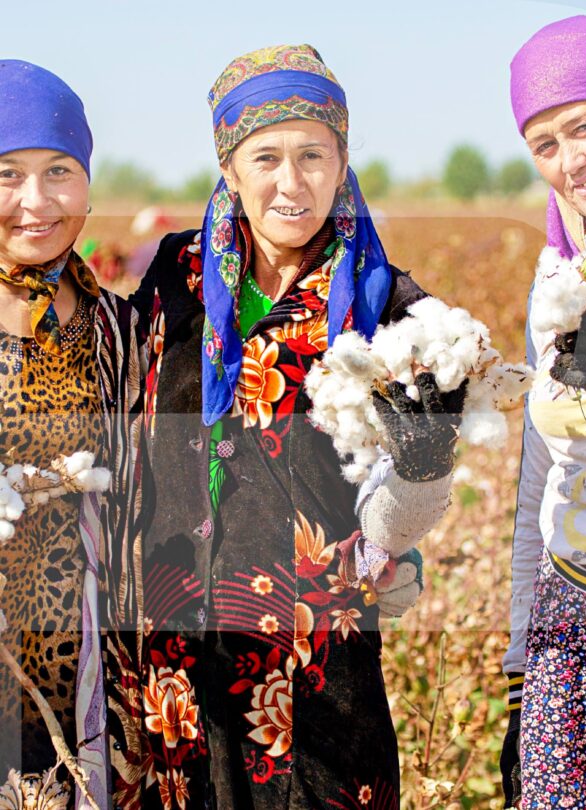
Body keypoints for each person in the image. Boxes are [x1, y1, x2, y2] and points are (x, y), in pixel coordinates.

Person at [133, 44, 465, 809]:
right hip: (178, 683)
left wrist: (419, 472)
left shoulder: (397, 316)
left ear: (343, 161)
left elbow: (404, 519)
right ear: (229, 168)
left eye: (314, 155)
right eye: (266, 157)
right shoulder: (173, 281)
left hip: (319, 685)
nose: (292, 182)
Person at [0, 61, 144, 810]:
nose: (35, 201)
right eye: (7, 173)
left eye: (59, 171)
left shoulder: (118, 327)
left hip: (80, 675)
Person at [501, 15, 586, 810]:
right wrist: (518, 647)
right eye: (546, 144)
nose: (572, 160)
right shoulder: (558, 276)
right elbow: (541, 472)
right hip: (572, 612)